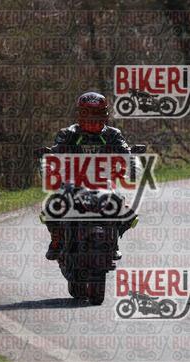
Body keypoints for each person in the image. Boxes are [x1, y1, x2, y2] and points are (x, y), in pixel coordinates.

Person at [44, 92, 134, 261]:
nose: (93, 119)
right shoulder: (68, 133)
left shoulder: (113, 134)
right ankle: (56, 240)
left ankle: (113, 242)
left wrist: (130, 160)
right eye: (88, 114)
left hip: (104, 181)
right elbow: (54, 153)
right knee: (52, 205)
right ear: (80, 115)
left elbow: (125, 150)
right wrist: (49, 165)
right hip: (72, 180)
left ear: (104, 114)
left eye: (97, 114)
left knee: (126, 211)